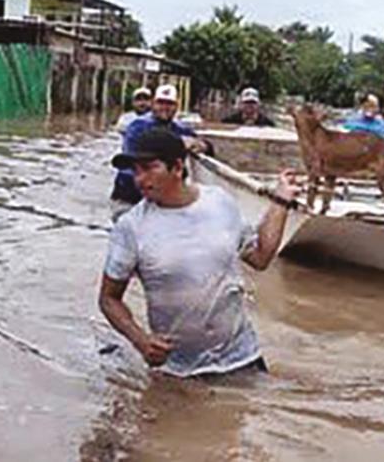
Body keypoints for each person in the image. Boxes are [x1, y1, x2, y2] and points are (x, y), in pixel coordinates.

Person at [99, 127, 300, 377]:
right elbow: (109, 299)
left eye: (149, 168)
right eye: (136, 170)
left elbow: (260, 257)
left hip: (242, 359)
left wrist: (281, 202)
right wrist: (140, 340)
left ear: (178, 166)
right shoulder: (130, 228)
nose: (140, 179)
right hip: (177, 371)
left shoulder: (220, 202)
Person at [110, 84, 206, 217]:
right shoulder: (138, 127)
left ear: (177, 106)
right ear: (153, 104)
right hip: (130, 194)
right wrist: (178, 145)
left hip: (162, 197)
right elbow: (133, 157)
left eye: (170, 103)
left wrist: (201, 145)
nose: (165, 107)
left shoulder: (180, 128)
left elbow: (204, 145)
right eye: (161, 102)